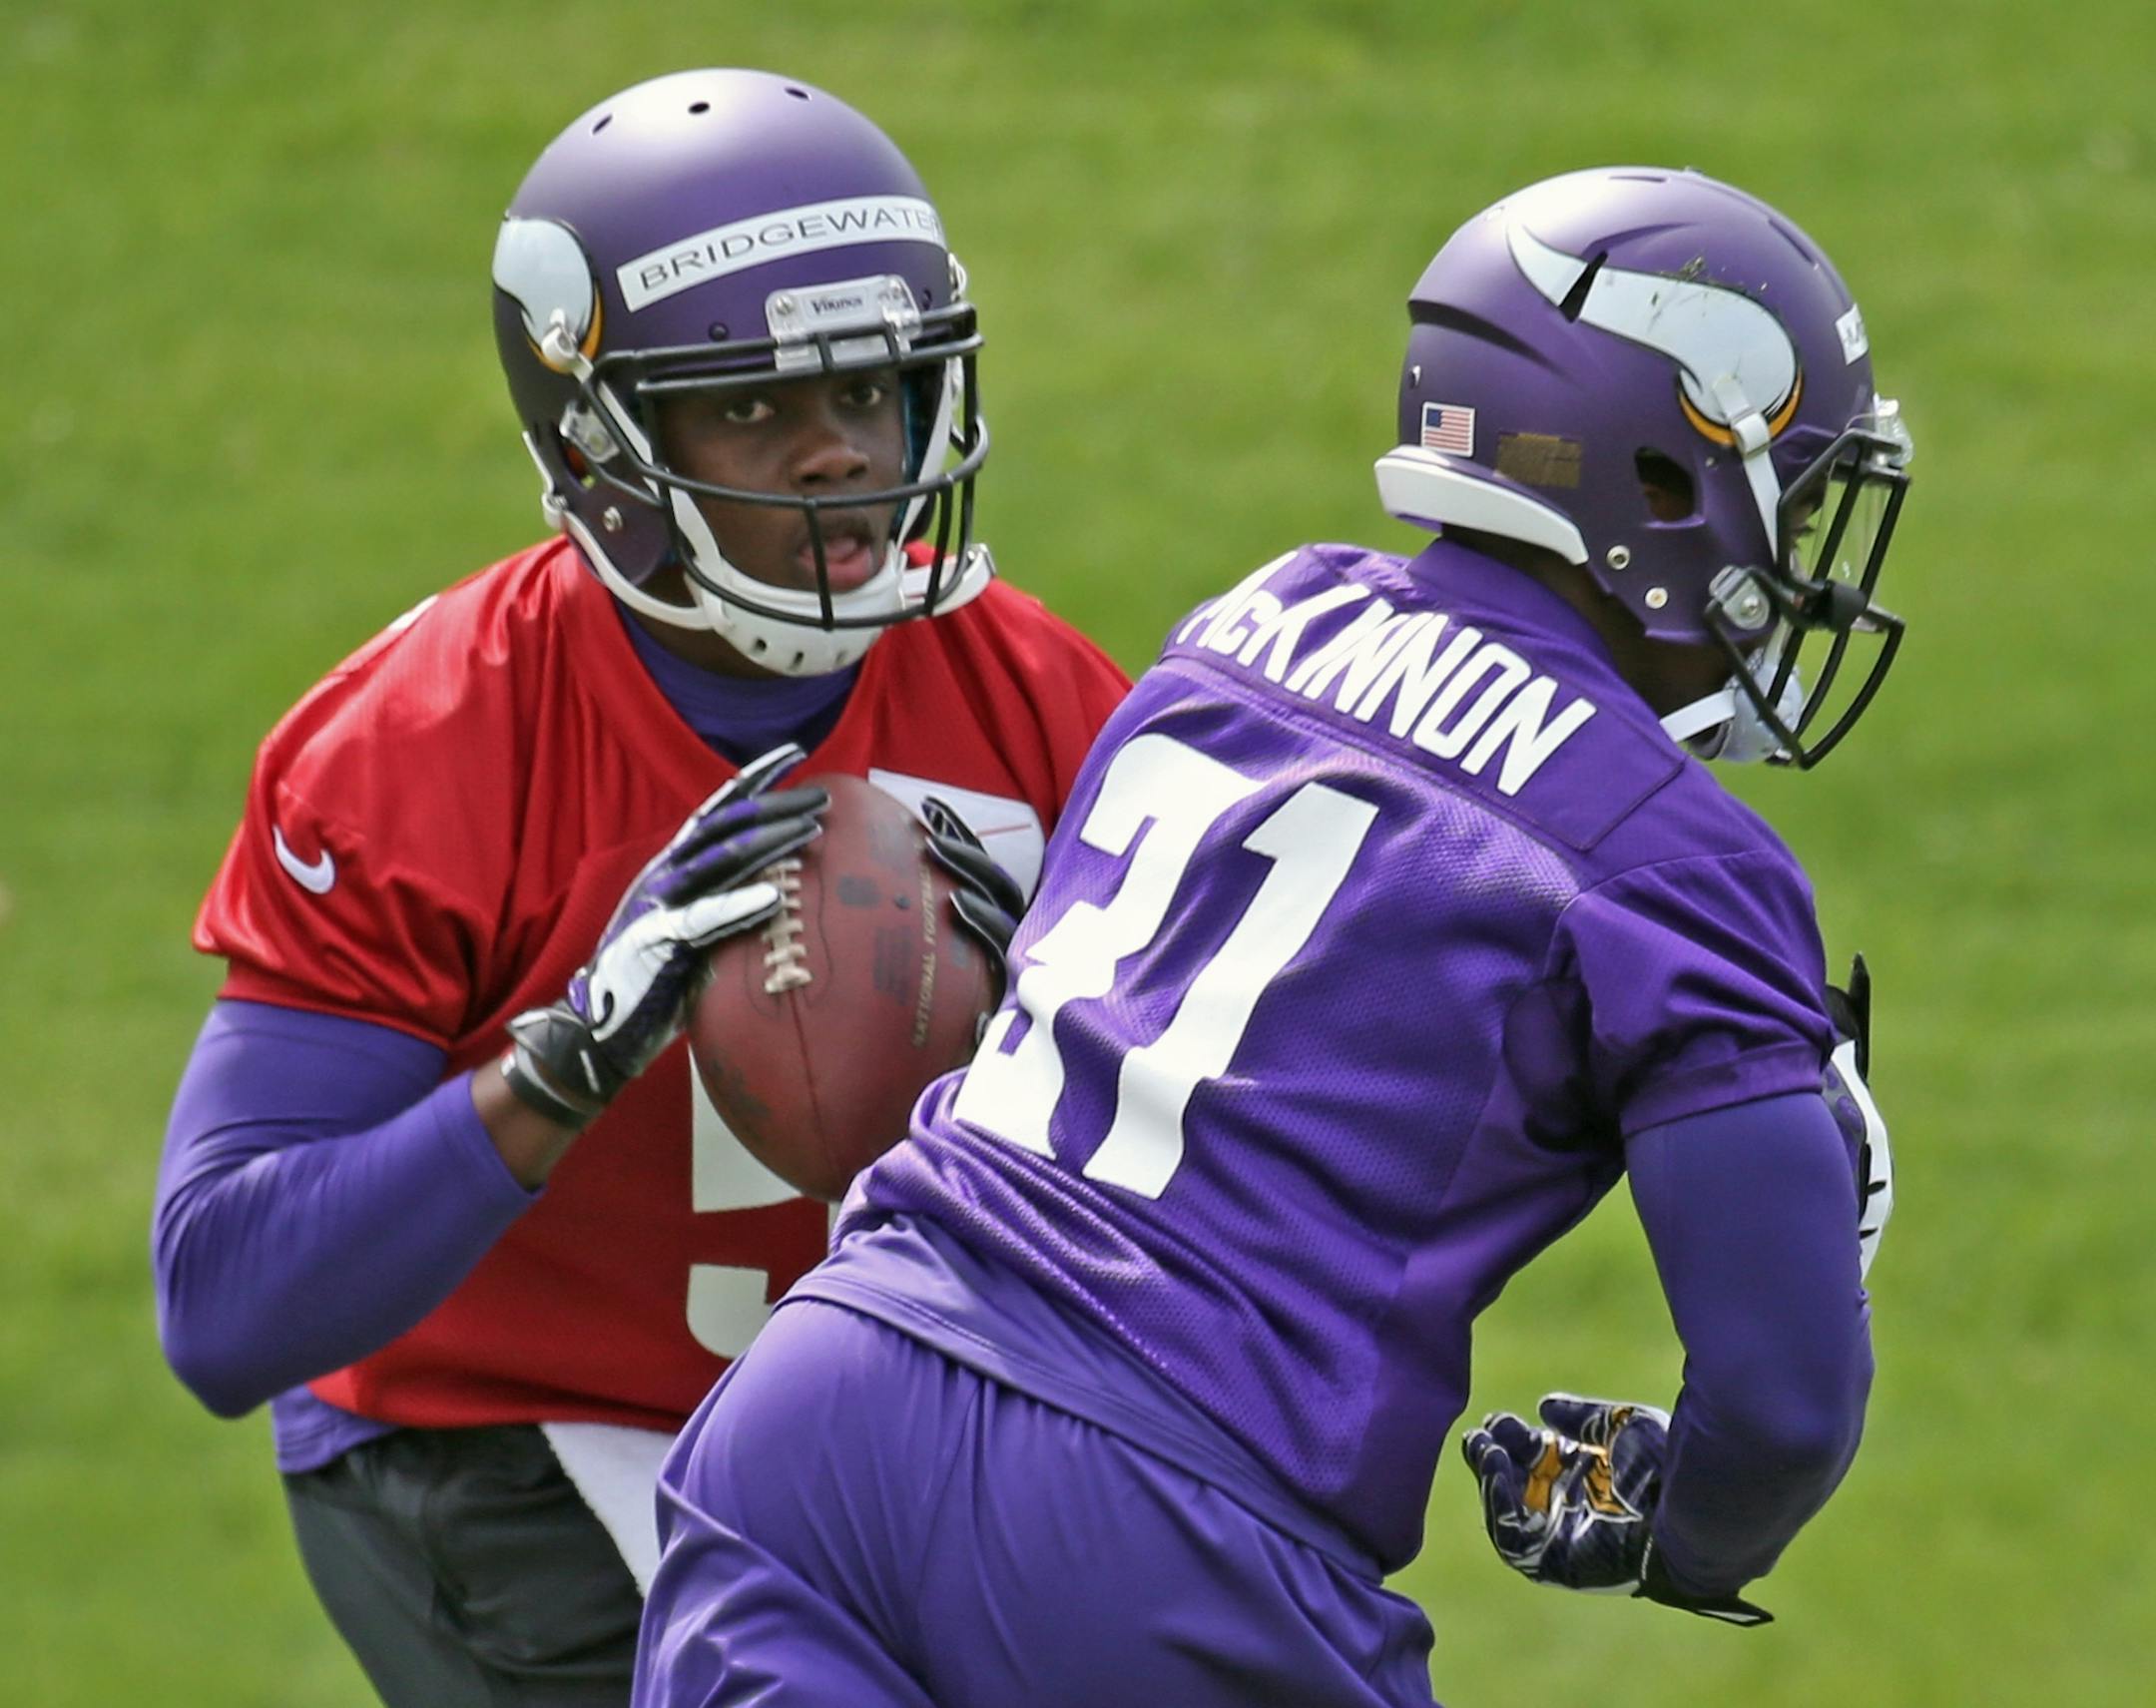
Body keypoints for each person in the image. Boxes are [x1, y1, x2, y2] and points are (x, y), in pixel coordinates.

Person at [630, 166, 1907, 1707]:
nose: (1804, 560)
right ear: (1656, 485)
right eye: (1794, 485)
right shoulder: (1678, 860)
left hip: (813, 1411)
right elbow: (1781, 1402)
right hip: (1161, 1517)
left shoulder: (1246, 627)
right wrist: (1678, 1530)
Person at [153, 67, 1130, 1708]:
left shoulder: (1038, 696)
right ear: (598, 437)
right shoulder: (427, 746)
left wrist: (1063, 1014)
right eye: (753, 407)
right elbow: (229, 1306)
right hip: (511, 1436)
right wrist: (564, 1065)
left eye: (874, 391)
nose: (838, 458)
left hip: (876, 1405)